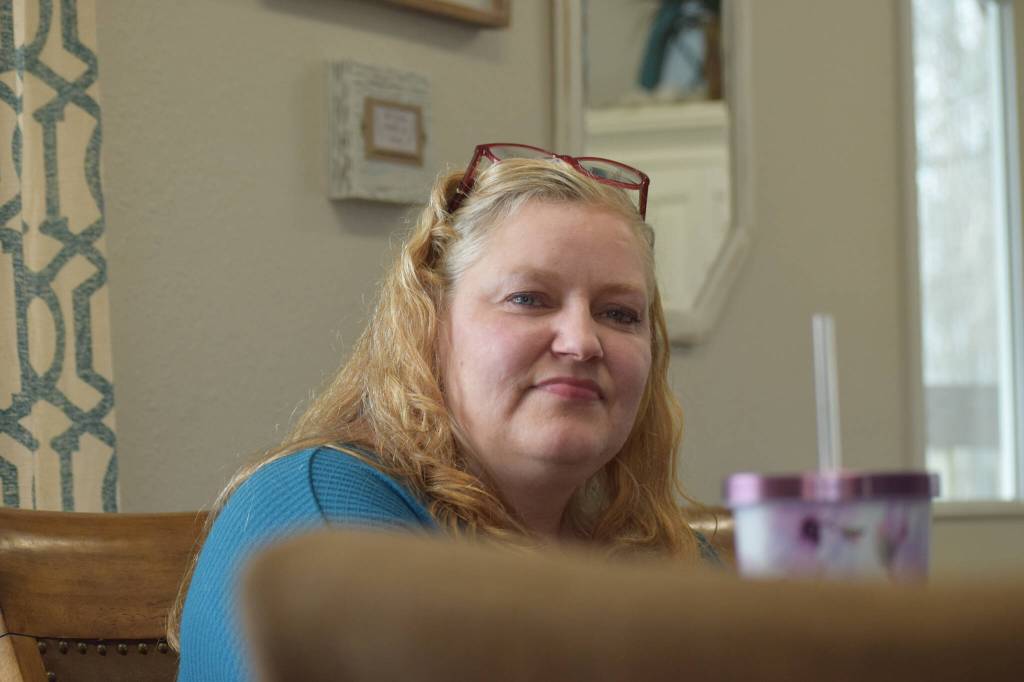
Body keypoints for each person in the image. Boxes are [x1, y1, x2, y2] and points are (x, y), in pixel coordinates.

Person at [171, 143, 712, 681]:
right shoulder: (321, 509)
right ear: (429, 321)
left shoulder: (658, 545)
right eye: (529, 298)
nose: (581, 342)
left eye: (619, 313)